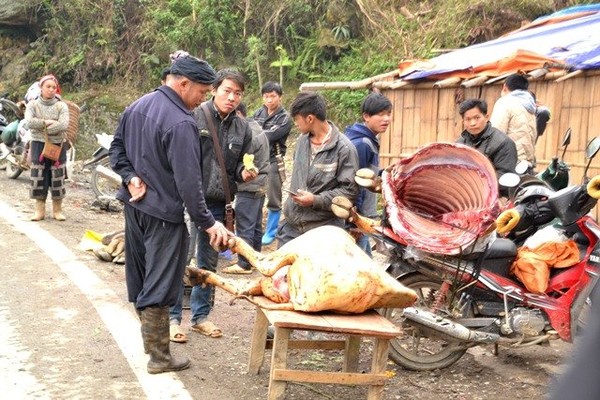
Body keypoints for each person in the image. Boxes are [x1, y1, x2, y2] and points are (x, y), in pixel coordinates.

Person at [108, 55, 230, 374]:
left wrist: (129, 175)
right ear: (183, 83)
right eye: (202, 92)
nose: (202, 99)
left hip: (134, 208)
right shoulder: (181, 122)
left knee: (141, 278)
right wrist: (208, 222)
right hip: (163, 216)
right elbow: (190, 184)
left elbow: (116, 150)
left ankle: (154, 348)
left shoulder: (137, 106)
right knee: (160, 285)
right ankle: (160, 358)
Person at [169, 68, 256, 338]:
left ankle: (200, 316)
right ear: (215, 89)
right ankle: (172, 318)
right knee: (178, 257)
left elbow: (242, 164)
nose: (232, 97)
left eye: (237, 93)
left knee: (208, 262)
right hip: (185, 200)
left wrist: (245, 172)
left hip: (218, 205)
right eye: (227, 91)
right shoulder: (194, 116)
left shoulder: (243, 127)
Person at [277, 91, 359, 247]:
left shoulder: (344, 148)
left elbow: (350, 192)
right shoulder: (302, 141)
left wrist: (316, 200)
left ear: (309, 118)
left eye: (296, 119)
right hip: (291, 227)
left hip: (323, 231)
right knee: (281, 271)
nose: (295, 123)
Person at [223, 103, 270, 274]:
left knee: (245, 226)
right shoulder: (257, 127)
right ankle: (255, 258)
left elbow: (243, 161)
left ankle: (244, 263)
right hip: (262, 183)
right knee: (255, 225)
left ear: (239, 114)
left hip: (249, 185)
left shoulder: (248, 133)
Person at [345, 92, 392, 256]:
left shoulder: (367, 139)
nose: (386, 119)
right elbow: (354, 182)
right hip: (358, 217)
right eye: (380, 114)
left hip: (360, 217)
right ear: (366, 116)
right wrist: (355, 220)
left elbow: (367, 174)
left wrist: (383, 173)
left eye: (388, 114)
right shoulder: (362, 143)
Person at [251, 81, 292, 245]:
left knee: (274, 195)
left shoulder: (284, 118)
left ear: (280, 97)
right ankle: (256, 228)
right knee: (255, 192)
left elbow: (269, 136)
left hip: (275, 160)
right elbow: (250, 131)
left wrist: (255, 135)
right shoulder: (258, 113)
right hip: (257, 159)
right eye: (266, 96)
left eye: (273, 96)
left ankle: (271, 231)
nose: (269, 100)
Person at [24, 74, 69, 221]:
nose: (51, 90)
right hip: (38, 143)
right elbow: (29, 122)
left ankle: (57, 210)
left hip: (57, 144)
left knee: (57, 176)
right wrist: (49, 122)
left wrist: (42, 127)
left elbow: (63, 125)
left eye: (53, 87)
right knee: (38, 176)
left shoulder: (61, 106)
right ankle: (39, 211)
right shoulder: (33, 105)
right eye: (47, 87)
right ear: (41, 88)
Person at [457, 99, 518, 197]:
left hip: (496, 197)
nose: (472, 123)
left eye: (477, 118)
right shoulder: (459, 144)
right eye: (468, 119)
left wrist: (474, 182)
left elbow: (505, 177)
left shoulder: (503, 142)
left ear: (486, 117)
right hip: (466, 197)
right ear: (463, 121)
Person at [490, 73, 537, 171]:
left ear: (504, 87)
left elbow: (496, 134)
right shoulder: (530, 106)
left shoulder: (505, 102)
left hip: (510, 164)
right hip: (526, 163)